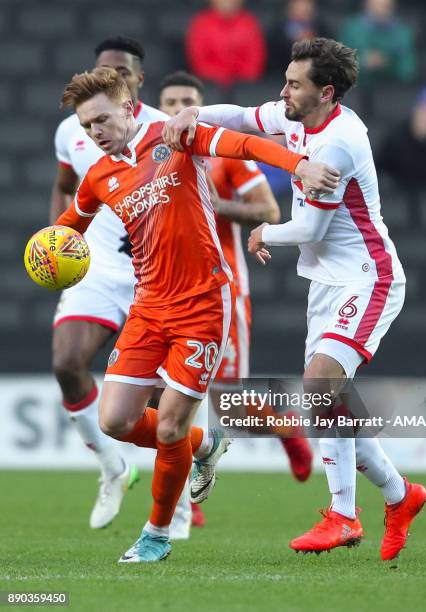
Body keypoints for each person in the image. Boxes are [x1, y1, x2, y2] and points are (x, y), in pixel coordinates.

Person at [162, 37, 426, 561]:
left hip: (366, 276)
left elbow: (310, 226)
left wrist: (264, 231)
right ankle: (401, 496)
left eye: (294, 83)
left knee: (320, 387)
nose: (283, 90)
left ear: (326, 92)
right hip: (326, 282)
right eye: (285, 79)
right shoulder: (292, 114)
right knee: (331, 402)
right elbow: (240, 116)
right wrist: (194, 110)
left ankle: (344, 517)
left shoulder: (340, 142)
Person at [52, 66, 328, 563]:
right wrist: (47, 249)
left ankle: (156, 534)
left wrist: (297, 164)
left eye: (100, 120)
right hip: (148, 305)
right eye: (86, 126)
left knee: (168, 428)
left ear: (129, 108)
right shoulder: (98, 176)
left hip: (203, 302)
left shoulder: (173, 134)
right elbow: (69, 227)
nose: (94, 132)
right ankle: (207, 442)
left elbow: (243, 146)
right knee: (115, 421)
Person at [50, 36, 192, 537]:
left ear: (136, 82)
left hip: (155, 276)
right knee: (67, 363)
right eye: (102, 69)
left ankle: (174, 508)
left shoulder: (165, 129)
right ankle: (112, 467)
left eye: (121, 71)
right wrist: (58, 251)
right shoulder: (74, 129)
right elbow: (68, 188)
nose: (110, 75)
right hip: (96, 271)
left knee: (154, 406)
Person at [158, 71, 315, 502]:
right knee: (159, 398)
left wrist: (212, 203)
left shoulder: (223, 153)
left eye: (186, 101)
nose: (176, 110)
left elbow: (268, 209)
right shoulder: (150, 157)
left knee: (225, 401)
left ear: (199, 106)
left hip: (218, 288)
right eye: (169, 102)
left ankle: (285, 428)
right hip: (164, 291)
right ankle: (186, 502)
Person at [186, 0, 266, 89]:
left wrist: (239, 78)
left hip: (244, 86)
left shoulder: (249, 22)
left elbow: (255, 59)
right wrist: (221, 77)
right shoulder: (201, 23)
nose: (227, 2)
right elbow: (199, 60)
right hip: (210, 84)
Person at [339, 0, 416, 86]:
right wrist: (363, 63)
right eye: (377, 6)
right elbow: (341, 66)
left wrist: (388, 64)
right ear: (367, 4)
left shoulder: (402, 33)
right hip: (357, 90)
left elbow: (408, 71)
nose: (382, 11)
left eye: (386, 6)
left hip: (392, 90)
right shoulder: (352, 29)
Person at [269, 0, 331, 75]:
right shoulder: (277, 31)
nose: (304, 8)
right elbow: (273, 60)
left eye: (307, 5)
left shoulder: (322, 30)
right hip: (281, 77)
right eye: (299, 5)